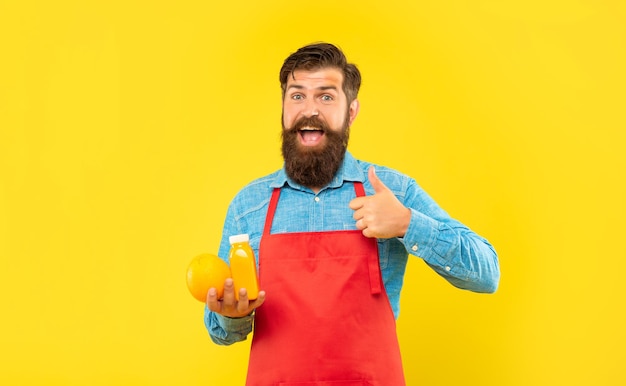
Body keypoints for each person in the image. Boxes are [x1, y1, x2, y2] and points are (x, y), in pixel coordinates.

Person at [204, 42, 500, 385]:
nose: (309, 110)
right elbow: (220, 332)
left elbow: (487, 273)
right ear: (283, 108)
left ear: (352, 110)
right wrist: (231, 316)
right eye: (297, 96)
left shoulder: (391, 192)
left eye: (326, 97)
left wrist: (407, 223)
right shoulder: (248, 206)